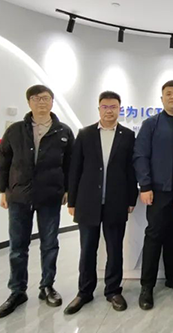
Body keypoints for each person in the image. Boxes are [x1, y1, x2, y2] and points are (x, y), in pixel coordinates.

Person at [0, 84, 74, 318]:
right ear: (29, 102)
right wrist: (2, 190)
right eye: (37, 98)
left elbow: (70, 164)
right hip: (19, 195)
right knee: (18, 247)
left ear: (52, 102)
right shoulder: (15, 131)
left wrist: (68, 190)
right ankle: (17, 291)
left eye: (46, 98)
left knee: (50, 244)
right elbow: (3, 162)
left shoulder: (63, 131)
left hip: (50, 196)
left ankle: (47, 286)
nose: (42, 102)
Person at [64, 91, 138, 314]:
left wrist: (131, 199)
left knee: (115, 249)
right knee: (88, 249)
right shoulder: (85, 134)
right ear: (99, 109)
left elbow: (130, 170)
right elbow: (75, 169)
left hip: (116, 201)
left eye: (113, 107)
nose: (109, 111)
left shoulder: (128, 135)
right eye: (105, 107)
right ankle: (84, 292)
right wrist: (72, 201)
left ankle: (113, 290)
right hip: (88, 202)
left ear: (119, 109)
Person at [133, 80, 173, 310]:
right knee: (154, 235)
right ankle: (147, 286)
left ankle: (172, 277)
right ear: (162, 99)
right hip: (158, 191)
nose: (172, 97)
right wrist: (145, 185)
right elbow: (140, 155)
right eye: (168, 94)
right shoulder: (150, 124)